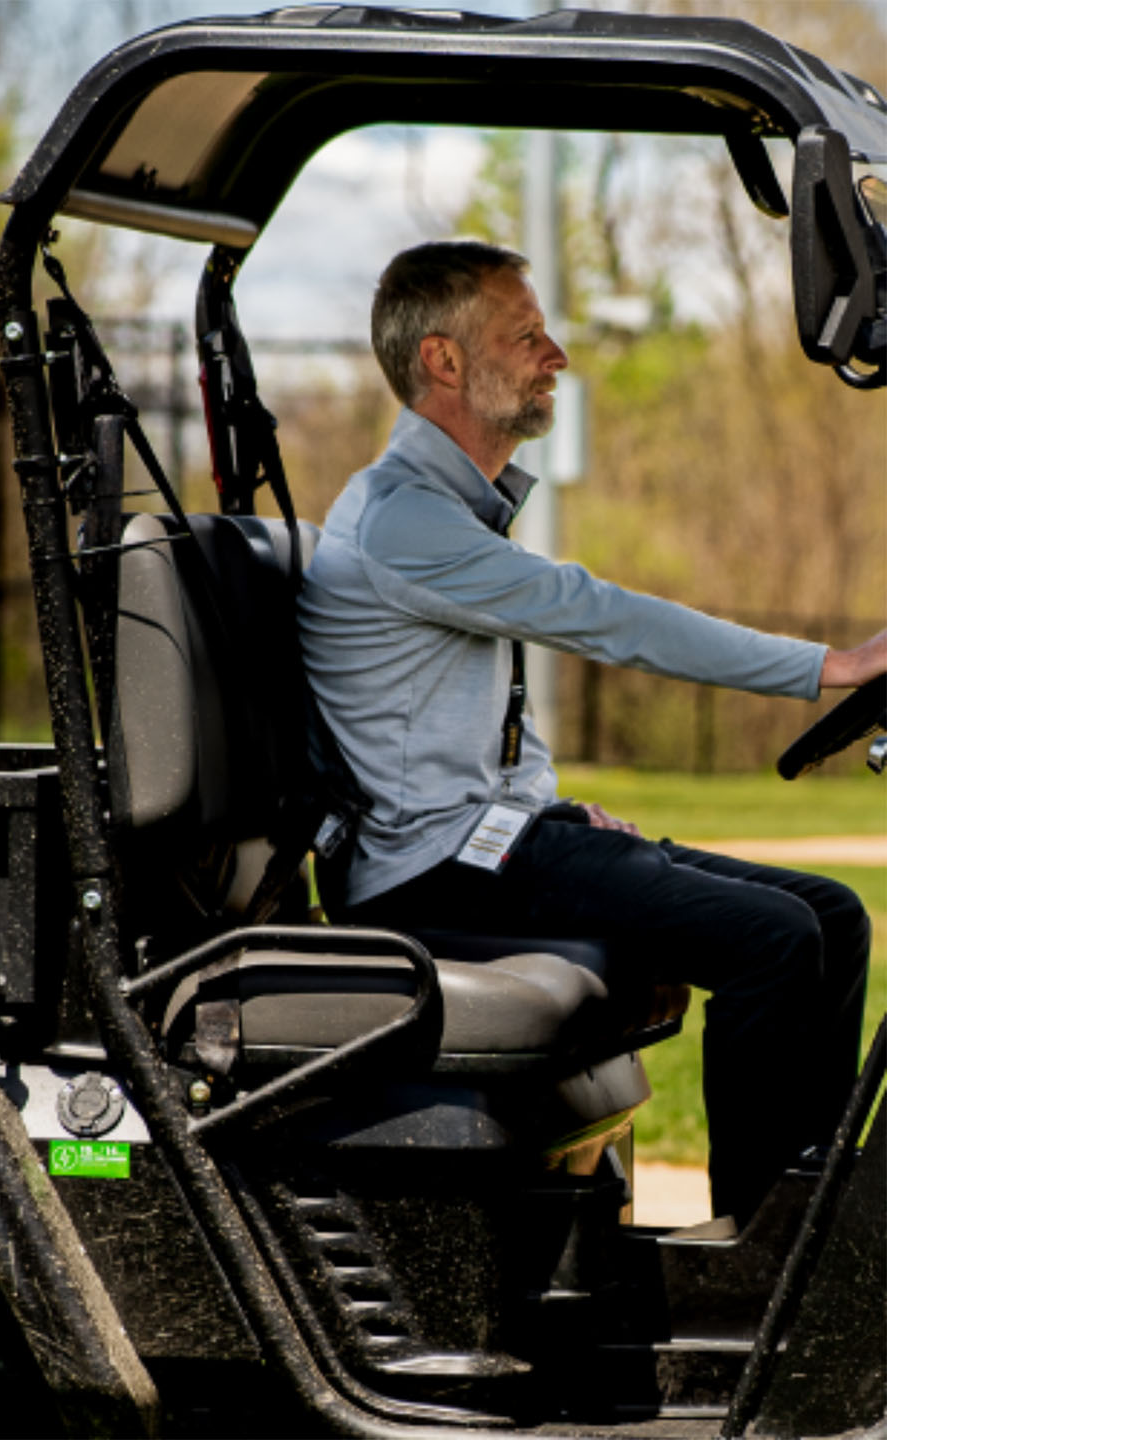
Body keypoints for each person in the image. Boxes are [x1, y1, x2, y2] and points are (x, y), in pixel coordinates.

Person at [297, 239, 884, 1224]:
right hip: (427, 871)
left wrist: (549, 811)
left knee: (830, 914)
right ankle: (756, 1254)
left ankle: (811, 1221)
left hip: (479, 842)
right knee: (773, 942)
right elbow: (603, 614)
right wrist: (831, 668)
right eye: (525, 336)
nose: (556, 355)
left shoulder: (444, 513)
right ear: (443, 362)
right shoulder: (405, 522)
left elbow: (457, 737)